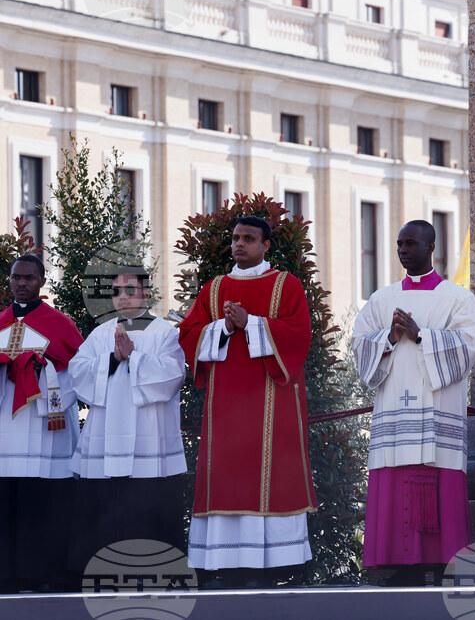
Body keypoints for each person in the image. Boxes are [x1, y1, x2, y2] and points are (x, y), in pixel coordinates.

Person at [179, 216, 315, 587]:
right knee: (225, 476)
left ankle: (273, 564)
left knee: (269, 475)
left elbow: (299, 335)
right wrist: (223, 327)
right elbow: (188, 333)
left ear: (266, 245)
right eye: (236, 238)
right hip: (224, 408)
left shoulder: (286, 286)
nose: (239, 244)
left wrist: (251, 323)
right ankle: (223, 563)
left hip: (272, 403)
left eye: (249, 239)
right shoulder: (213, 288)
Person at [352, 220, 475, 586]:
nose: (402, 250)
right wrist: (389, 338)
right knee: (395, 480)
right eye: (398, 244)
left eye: (410, 243)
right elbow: (360, 345)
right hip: (394, 407)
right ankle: (400, 565)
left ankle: (441, 564)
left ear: (431, 247)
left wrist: (420, 335)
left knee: (439, 479)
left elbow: (468, 347)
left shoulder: (458, 298)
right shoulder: (381, 299)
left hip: (438, 408)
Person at [69, 268, 187, 571]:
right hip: (105, 438)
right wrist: (112, 359)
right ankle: (102, 572)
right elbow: (77, 373)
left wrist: (134, 357)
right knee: (104, 508)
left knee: (147, 507)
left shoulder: (165, 332)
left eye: (129, 290)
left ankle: (151, 572)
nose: (122, 297)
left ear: (146, 294)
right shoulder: (101, 333)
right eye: (116, 291)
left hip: (149, 441)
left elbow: (173, 376)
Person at [0, 254, 84, 592]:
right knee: (7, 502)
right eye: (16, 277)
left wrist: (42, 370)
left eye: (29, 278)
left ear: (42, 281)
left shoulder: (60, 323)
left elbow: (79, 372)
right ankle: (6, 574)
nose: (21, 283)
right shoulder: (1, 320)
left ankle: (46, 574)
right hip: (6, 427)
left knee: (44, 502)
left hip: (43, 425)